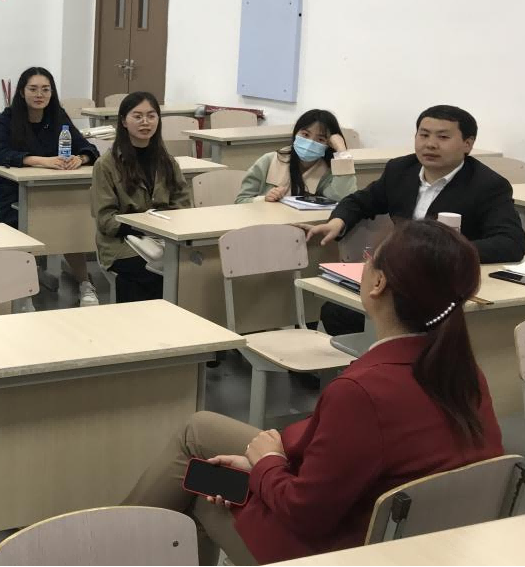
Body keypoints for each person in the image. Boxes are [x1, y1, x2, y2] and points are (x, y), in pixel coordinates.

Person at [124, 220, 503, 565]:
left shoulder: (361, 392)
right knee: (201, 435)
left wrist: (267, 465)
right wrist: (267, 463)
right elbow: (354, 452)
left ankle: (110, 547)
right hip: (422, 545)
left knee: (202, 483)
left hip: (338, 549)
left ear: (378, 283)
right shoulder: (463, 372)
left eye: (369, 257)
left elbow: (305, 514)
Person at [306, 105, 525, 334]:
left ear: (467, 144)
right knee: (336, 312)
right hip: (399, 276)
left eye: (443, 137)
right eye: (424, 135)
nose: (430, 144)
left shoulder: (488, 185)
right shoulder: (401, 169)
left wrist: (443, 253)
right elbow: (361, 200)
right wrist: (338, 222)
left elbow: (510, 243)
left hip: (446, 284)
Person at [0, 67, 99, 306]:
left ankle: (84, 283)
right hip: (14, 193)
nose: (39, 94)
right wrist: (42, 161)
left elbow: (87, 147)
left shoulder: (57, 116)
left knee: (69, 225)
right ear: (22, 92)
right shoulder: (8, 118)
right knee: (23, 227)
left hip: (55, 191)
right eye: (33, 89)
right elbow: (1, 153)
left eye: (45, 89)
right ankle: (22, 291)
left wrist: (80, 158)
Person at [91, 92, 190, 303]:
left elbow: (183, 204)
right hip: (121, 242)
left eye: (151, 116)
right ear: (123, 121)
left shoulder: (167, 162)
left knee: (192, 267)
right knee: (147, 273)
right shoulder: (106, 164)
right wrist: (143, 226)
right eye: (137, 116)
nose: (145, 122)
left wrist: (163, 225)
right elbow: (105, 219)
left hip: (163, 238)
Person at [235, 109, 355, 203]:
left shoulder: (328, 172)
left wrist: (341, 151)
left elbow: (343, 199)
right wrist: (263, 199)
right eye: (305, 135)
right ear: (296, 133)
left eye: (320, 139)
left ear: (329, 145)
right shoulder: (269, 161)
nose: (310, 143)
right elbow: (241, 201)